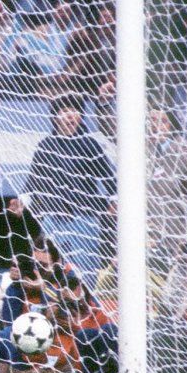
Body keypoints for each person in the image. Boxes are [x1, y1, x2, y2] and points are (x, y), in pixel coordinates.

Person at [24, 97, 115, 288]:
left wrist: (114, 200)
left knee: (84, 275)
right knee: (50, 272)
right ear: (55, 117)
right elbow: (33, 182)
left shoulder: (90, 144)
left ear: (81, 116)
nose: (70, 114)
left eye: (74, 109)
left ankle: (85, 311)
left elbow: (108, 177)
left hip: (84, 219)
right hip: (53, 219)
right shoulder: (45, 146)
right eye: (64, 110)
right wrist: (22, 201)